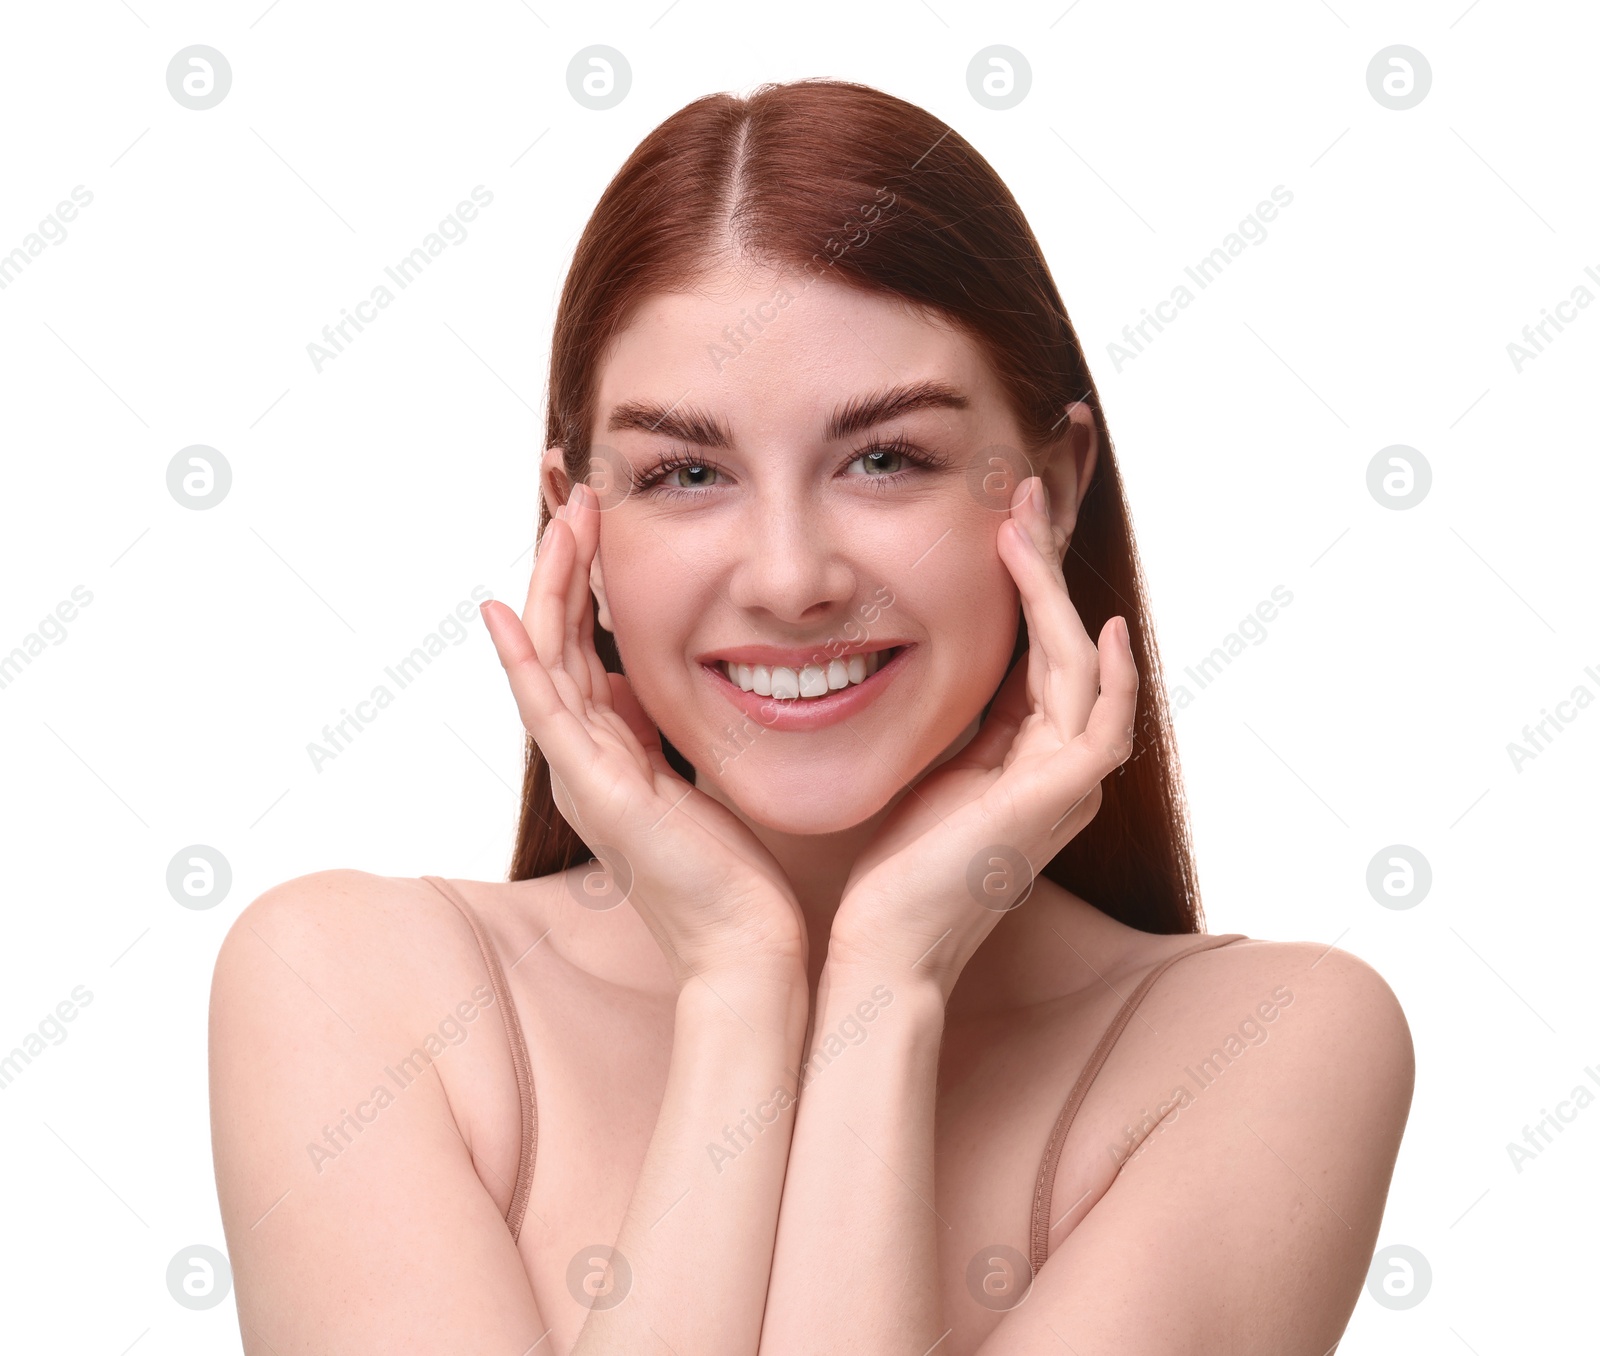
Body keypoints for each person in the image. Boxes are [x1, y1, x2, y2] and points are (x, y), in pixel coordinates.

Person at [209, 78, 1413, 1354]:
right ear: (581, 533)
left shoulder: (1267, 1050)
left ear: (1049, 493)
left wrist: (887, 988)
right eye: (685, 473)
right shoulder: (347, 988)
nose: (789, 579)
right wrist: (738, 983)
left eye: (884, 458)